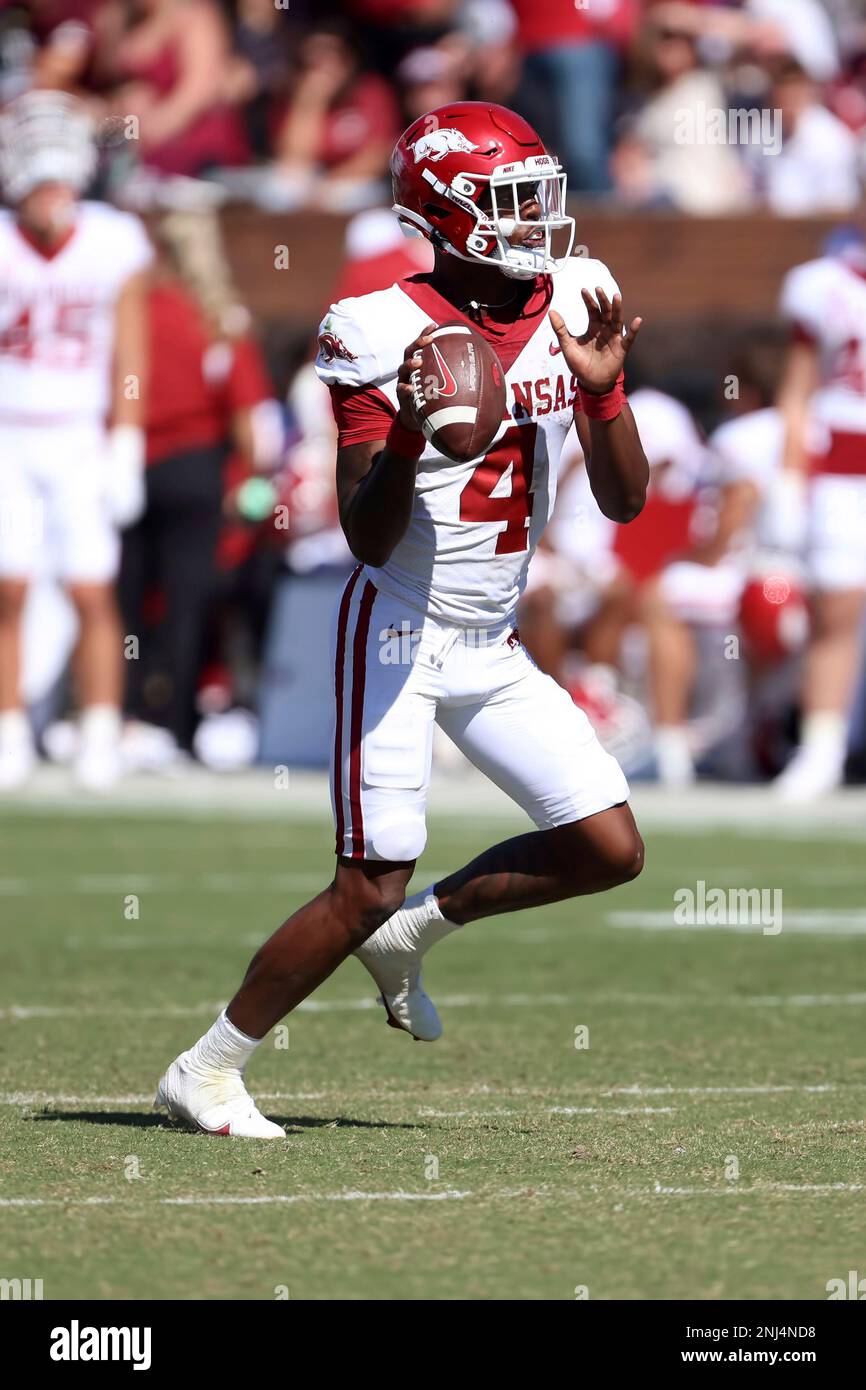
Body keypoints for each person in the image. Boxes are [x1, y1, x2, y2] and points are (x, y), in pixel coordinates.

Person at [156, 101, 648, 1138]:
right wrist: (413, 442)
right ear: (442, 210)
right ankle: (205, 1069)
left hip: (494, 636)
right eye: (506, 201)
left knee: (607, 847)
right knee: (367, 880)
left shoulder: (575, 291)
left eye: (535, 196)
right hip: (398, 626)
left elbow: (625, 502)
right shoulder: (372, 325)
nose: (531, 220)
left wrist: (603, 399)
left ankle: (420, 929)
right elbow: (366, 536)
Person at [0, 91, 152, 791]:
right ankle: (8, 729)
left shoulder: (112, 240)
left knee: (91, 585)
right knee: (9, 585)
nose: (50, 199)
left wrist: (125, 443)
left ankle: (99, 725)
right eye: (38, 184)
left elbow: (131, 351)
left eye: (59, 182)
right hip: (9, 432)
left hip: (79, 433)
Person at [772, 233, 866, 799]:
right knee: (833, 609)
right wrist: (787, 481)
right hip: (845, 469)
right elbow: (798, 391)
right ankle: (822, 747)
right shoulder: (825, 284)